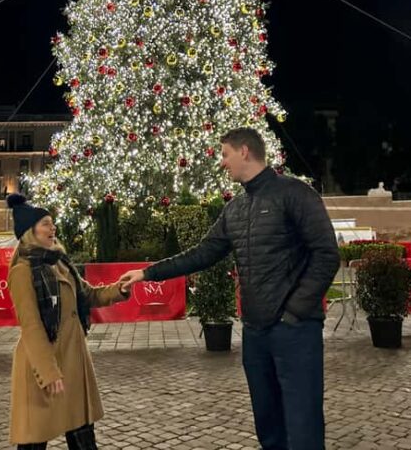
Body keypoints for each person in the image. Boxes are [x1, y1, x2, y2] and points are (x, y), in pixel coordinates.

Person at [120, 127, 340, 450]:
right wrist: (147, 272)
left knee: (303, 426)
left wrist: (294, 311)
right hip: (255, 335)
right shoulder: (234, 210)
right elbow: (201, 254)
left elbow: (326, 254)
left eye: (225, 154)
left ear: (245, 152)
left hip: (295, 332)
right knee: (269, 428)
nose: (222, 163)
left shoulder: (295, 194)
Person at [6, 193, 129, 449]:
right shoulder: (22, 272)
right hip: (42, 367)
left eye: (52, 223)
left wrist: (120, 289)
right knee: (34, 440)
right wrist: (48, 372)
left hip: (73, 362)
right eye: (46, 224)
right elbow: (31, 326)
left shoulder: (60, 263)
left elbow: (88, 294)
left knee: (83, 437)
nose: (53, 228)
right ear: (30, 232)